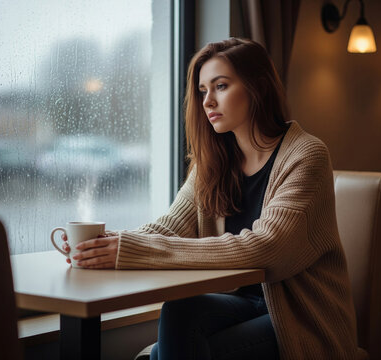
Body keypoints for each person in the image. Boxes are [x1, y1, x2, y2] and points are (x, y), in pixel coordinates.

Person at [62, 38, 359, 359]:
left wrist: (126, 250)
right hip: (242, 302)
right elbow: (169, 229)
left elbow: (268, 250)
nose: (208, 102)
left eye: (220, 86)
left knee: (162, 354)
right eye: (203, 91)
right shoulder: (213, 162)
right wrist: (105, 244)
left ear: (258, 87)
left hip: (299, 315)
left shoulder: (306, 155)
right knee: (180, 312)